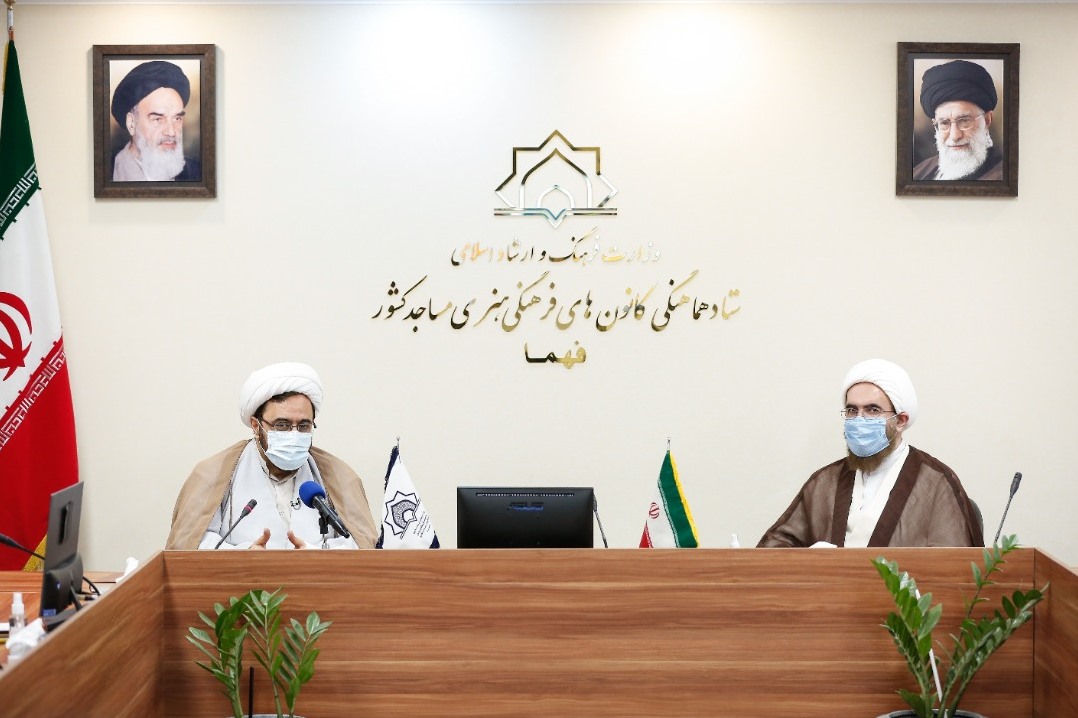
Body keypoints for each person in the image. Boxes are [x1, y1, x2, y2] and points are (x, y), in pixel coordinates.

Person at [757, 359, 982, 548]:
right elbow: (776, 546)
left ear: (901, 421)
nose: (859, 419)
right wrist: (811, 560)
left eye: (873, 410)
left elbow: (953, 568)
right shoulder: (825, 481)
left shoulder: (935, 482)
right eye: (852, 410)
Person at [166, 362, 378, 550]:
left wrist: (314, 554)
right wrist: (245, 556)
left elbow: (363, 547)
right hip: (242, 583)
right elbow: (190, 546)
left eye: (303, 426)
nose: (294, 434)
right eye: (282, 425)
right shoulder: (214, 473)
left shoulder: (339, 476)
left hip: (317, 580)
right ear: (256, 425)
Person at [110, 60, 201, 181]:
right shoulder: (109, 174)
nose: (171, 132)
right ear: (131, 124)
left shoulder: (196, 173)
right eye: (158, 119)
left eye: (177, 118)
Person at [912, 60, 1003, 181]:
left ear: (986, 120)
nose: (954, 136)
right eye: (944, 123)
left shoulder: (1003, 177)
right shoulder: (918, 173)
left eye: (964, 121)